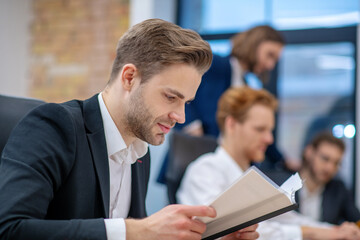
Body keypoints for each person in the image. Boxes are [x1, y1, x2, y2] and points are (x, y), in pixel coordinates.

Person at [0, 19, 258, 240]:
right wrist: (135, 230)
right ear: (129, 78)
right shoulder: (55, 126)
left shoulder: (139, 149)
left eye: (186, 103)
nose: (180, 117)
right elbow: (9, 229)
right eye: (170, 97)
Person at [177, 87, 360, 240]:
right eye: (260, 129)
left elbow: (288, 219)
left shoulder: (251, 177)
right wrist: (312, 233)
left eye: (270, 130)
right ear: (232, 124)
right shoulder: (204, 171)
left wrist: (334, 231)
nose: (269, 139)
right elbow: (234, 231)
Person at [157, 25, 293, 185]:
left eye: (275, 60)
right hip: (195, 153)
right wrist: (193, 125)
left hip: (220, 165)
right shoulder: (216, 65)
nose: (270, 65)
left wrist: (283, 160)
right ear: (254, 45)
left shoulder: (247, 85)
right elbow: (180, 89)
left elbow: (256, 128)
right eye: (269, 55)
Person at [298, 132, 360, 224]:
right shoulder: (281, 184)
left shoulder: (338, 189)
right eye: (325, 158)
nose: (330, 168)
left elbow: (357, 220)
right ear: (309, 152)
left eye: (336, 163)